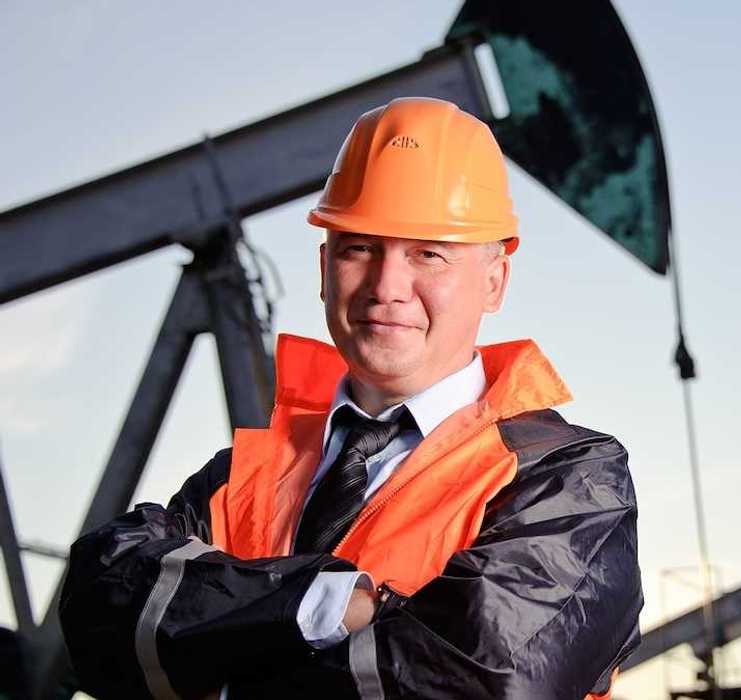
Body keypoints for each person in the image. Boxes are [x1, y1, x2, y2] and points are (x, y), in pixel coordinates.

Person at [59, 97, 643, 699]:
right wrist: (325, 602)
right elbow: (101, 610)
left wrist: (225, 660)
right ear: (323, 266)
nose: (386, 287)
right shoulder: (245, 474)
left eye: (428, 253)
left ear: (494, 281)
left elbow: (484, 678)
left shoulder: (570, 482)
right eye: (359, 247)